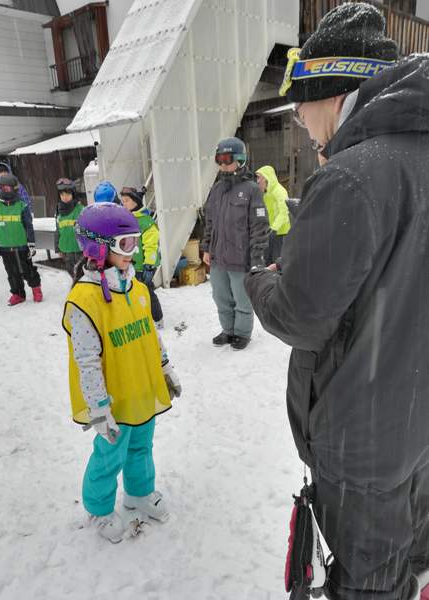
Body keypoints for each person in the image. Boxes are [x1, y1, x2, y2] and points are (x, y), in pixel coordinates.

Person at [245, 3, 429, 599]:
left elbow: (300, 314)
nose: (299, 116)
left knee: (368, 581)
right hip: (419, 421)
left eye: (302, 101)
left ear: (335, 91)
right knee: (416, 554)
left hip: (365, 437)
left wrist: (262, 279)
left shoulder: (355, 175)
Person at [62, 202, 181, 543]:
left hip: (142, 390)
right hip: (113, 400)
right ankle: (99, 509)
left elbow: (151, 335)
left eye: (135, 242)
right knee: (108, 456)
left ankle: (138, 494)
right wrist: (99, 408)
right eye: (125, 244)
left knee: (142, 447)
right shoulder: (84, 301)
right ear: (99, 248)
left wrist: (165, 368)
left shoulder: (138, 289)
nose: (133, 251)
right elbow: (86, 361)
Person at [201, 137, 269, 350]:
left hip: (241, 259)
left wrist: (257, 256)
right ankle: (228, 330)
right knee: (221, 297)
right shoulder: (217, 189)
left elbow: (260, 226)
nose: (223, 164)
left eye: (227, 159)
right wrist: (206, 247)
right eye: (218, 160)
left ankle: (241, 333)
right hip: (219, 257)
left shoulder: (251, 190)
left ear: (240, 159)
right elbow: (210, 222)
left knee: (242, 299)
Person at [0, 174, 42, 306]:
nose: (5, 191)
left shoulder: (22, 206)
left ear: (14, 189)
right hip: (5, 246)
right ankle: (18, 294)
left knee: (28, 270)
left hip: (22, 245)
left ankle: (36, 289)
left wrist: (31, 243)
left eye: (8, 188)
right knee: (12, 272)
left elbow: (28, 225)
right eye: (3, 188)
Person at [120, 186, 164, 328]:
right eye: (123, 201)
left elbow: (151, 246)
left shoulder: (146, 222)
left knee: (148, 292)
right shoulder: (126, 220)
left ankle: (157, 320)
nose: (123, 203)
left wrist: (149, 265)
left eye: (127, 201)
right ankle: (138, 319)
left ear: (136, 202)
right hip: (129, 265)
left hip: (142, 266)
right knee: (131, 294)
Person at [255, 165, 290, 265]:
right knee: (267, 262)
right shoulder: (266, 195)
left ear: (267, 178)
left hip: (280, 234)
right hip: (269, 233)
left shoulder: (280, 191)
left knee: (277, 263)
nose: (257, 181)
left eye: (259, 177)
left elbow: (284, 211)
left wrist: (274, 228)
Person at [55, 178, 83, 278]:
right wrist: (58, 248)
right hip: (66, 251)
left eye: (67, 194)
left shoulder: (80, 210)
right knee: (72, 273)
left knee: (82, 274)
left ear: (73, 194)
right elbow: (58, 230)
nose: (65, 197)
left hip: (79, 250)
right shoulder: (59, 211)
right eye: (62, 195)